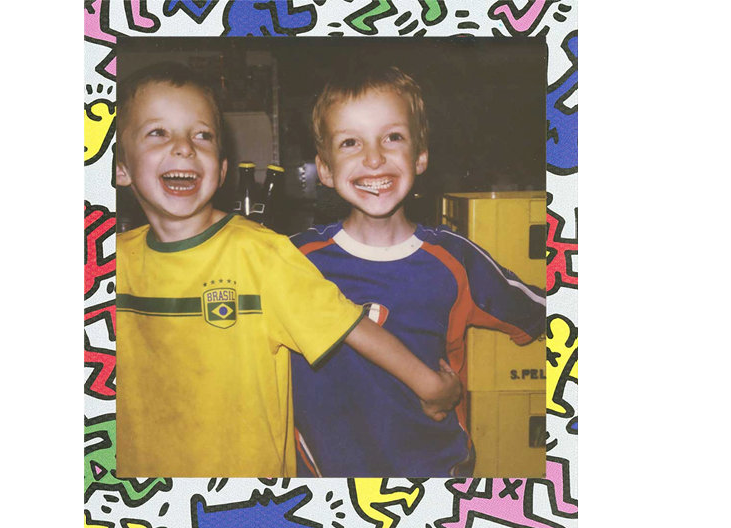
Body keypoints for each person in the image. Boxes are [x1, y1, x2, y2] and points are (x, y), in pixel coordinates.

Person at [112, 63, 462, 478]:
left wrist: (429, 385)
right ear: (120, 168)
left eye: (202, 135)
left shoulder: (263, 254)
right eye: (158, 132)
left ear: (222, 169)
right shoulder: (108, 262)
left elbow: (350, 325)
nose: (184, 147)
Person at [291, 66, 545, 477]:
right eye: (350, 142)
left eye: (392, 137)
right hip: (325, 482)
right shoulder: (293, 261)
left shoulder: (456, 260)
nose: (374, 157)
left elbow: (546, 310)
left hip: (434, 474)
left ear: (420, 156)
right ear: (324, 169)